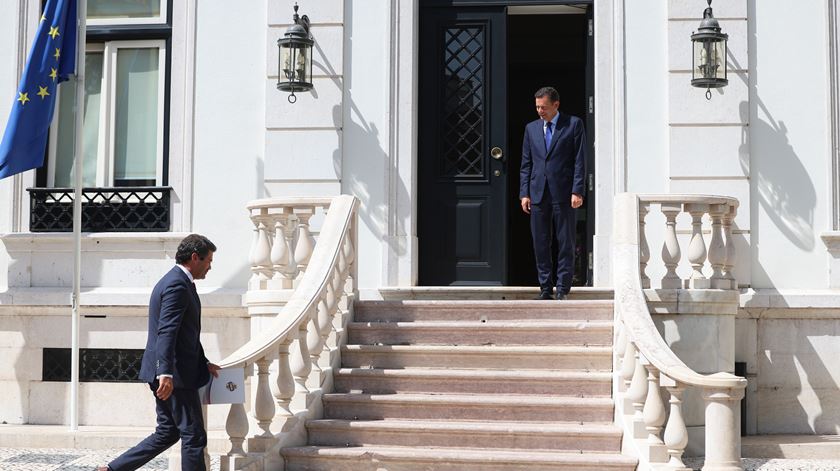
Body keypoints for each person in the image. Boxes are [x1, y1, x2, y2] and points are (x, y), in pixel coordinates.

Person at [99, 234, 220, 471]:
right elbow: (167, 331)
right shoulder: (177, 284)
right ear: (195, 257)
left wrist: (203, 362)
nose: (210, 267)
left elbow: (186, 333)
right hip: (175, 375)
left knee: (167, 432)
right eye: (208, 261)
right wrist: (165, 372)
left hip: (170, 372)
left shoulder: (177, 281)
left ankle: (111, 470)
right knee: (193, 435)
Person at [519, 87, 587, 300]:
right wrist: (524, 193)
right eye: (537, 107)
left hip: (564, 193)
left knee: (565, 242)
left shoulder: (573, 124)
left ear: (556, 105)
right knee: (540, 242)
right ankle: (545, 288)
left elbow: (580, 160)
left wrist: (577, 190)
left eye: (544, 107)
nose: (540, 111)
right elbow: (526, 163)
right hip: (537, 193)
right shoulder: (531, 128)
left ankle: (563, 289)